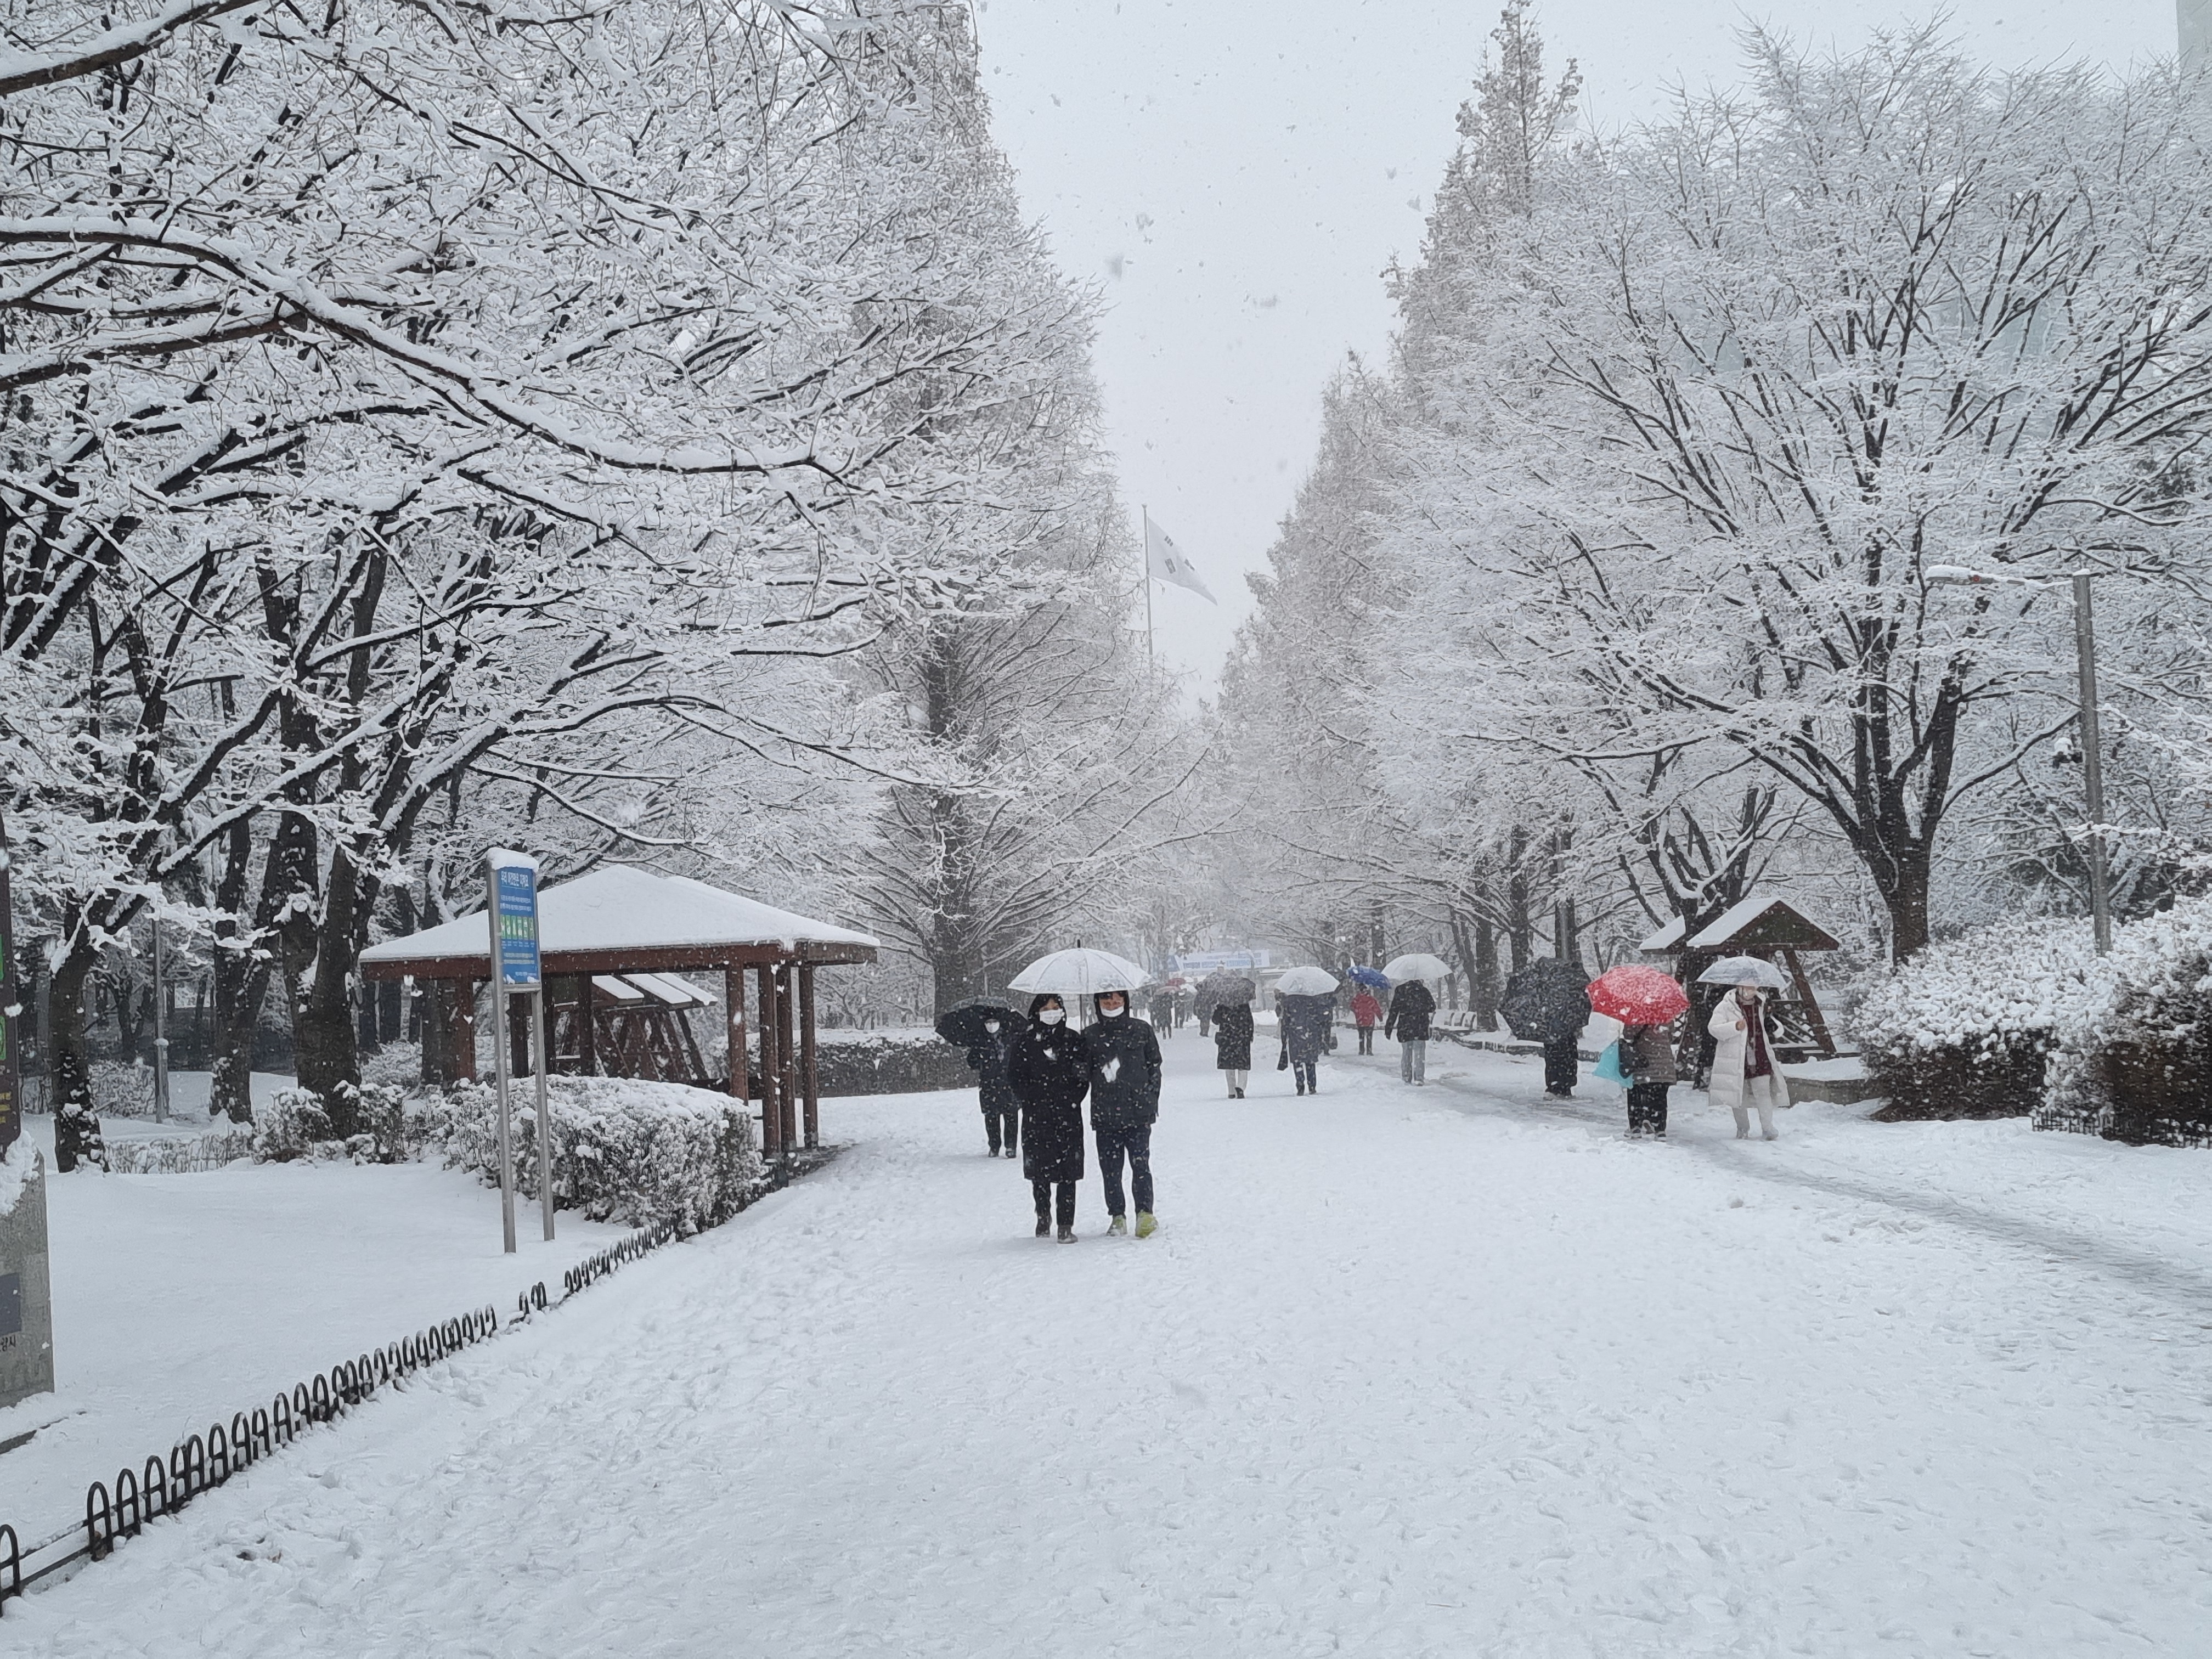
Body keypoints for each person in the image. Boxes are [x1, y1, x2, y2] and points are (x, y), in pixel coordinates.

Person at [1007, 994, 1089, 1241]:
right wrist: (1032, 1098)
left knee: (1068, 1172)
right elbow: (1015, 1077)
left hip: (1068, 1116)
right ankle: (1043, 1216)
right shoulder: (1024, 1043)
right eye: (1045, 1008)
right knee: (1039, 1171)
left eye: (1056, 1008)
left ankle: (1065, 1224)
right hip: (1037, 1116)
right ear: (1036, 1012)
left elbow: (1083, 1076)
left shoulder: (1073, 1040)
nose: (1051, 1012)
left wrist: (1070, 1098)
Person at [1083, 989, 1163, 1237]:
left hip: (1138, 1113)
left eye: (1118, 997)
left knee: (1141, 1165)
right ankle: (1117, 1216)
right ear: (1097, 1002)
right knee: (1111, 1169)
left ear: (1126, 1000)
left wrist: (1150, 1098)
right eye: (1106, 998)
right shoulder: (1089, 1036)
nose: (1112, 1002)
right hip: (1105, 1115)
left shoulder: (1141, 1030)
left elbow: (1154, 1065)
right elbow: (1081, 1072)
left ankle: (1145, 1213)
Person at [1709, 983, 1786, 1140]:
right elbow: (1714, 1028)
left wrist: (1772, 1022)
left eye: (1754, 988)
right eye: (1748, 987)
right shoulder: (1726, 1006)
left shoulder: (1762, 1004)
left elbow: (1775, 1028)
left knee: (1763, 1092)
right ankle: (1743, 1128)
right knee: (1739, 1095)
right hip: (1736, 1056)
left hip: (1760, 1053)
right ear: (1739, 987)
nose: (1752, 991)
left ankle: (1768, 1128)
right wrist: (1735, 1026)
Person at [963, 1012, 1019, 1158]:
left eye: (994, 1022)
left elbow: (1018, 1057)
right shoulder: (980, 1041)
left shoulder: (1010, 1038)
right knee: (991, 1116)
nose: (991, 1025)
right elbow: (972, 1062)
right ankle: (994, 1146)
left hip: (1008, 1083)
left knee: (1011, 1116)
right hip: (989, 1084)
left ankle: (1011, 1146)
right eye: (988, 1022)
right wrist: (977, 1055)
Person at [1619, 1020, 1678, 1139]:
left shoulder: (1636, 1016)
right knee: (1660, 1097)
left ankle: (1635, 1127)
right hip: (1663, 1065)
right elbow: (1670, 1036)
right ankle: (1660, 1129)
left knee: (1636, 1094)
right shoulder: (1666, 1016)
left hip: (1642, 1062)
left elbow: (1628, 1035)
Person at [1384, 977, 1435, 1085]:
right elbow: (1432, 1007)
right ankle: (1419, 1078)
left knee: (1406, 1052)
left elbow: (1394, 1010)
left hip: (1405, 1027)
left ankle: (1407, 1076)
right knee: (1419, 1053)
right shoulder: (1424, 991)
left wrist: (1389, 1027)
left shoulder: (1401, 990)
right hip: (1420, 1027)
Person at [1280, 993, 1332, 1095]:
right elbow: (1320, 1019)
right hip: (1311, 1035)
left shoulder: (1289, 1002)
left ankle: (1300, 1085)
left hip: (1295, 1035)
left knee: (1297, 1062)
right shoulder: (1313, 1001)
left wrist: (1284, 1038)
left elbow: (1285, 1022)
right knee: (1310, 1062)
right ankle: (1312, 1085)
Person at [1212, 995, 1254, 1097]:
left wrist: (1219, 1010)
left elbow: (1215, 1021)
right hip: (1242, 1037)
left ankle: (1231, 1091)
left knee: (1229, 1065)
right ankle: (1240, 1087)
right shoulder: (1244, 1005)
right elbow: (1250, 1021)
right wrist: (1250, 1034)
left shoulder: (1223, 1005)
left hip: (1227, 1037)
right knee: (1242, 1064)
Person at [1350, 985, 1383, 1056]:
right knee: (1369, 1036)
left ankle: (1361, 1050)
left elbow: (1352, 1007)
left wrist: (1357, 1013)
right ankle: (1369, 1050)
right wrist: (1380, 1017)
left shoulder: (1356, 999)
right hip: (1370, 1020)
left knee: (1361, 1036)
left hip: (1360, 1020)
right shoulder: (1372, 1000)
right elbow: (1376, 1009)